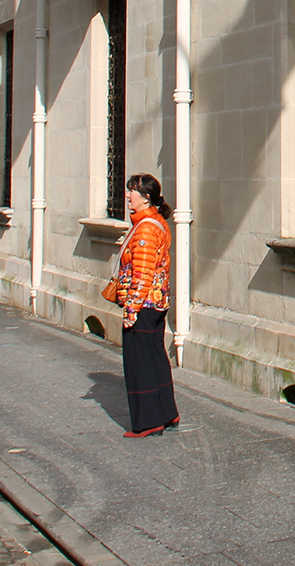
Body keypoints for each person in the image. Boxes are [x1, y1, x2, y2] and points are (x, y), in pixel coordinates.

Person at [113, 174, 179, 438]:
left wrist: (131, 311)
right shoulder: (155, 223)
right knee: (155, 357)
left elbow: (142, 273)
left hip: (143, 304)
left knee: (139, 362)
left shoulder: (146, 228)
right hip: (157, 302)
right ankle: (166, 412)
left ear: (146, 197)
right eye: (128, 190)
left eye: (133, 191)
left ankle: (149, 421)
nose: (128, 195)